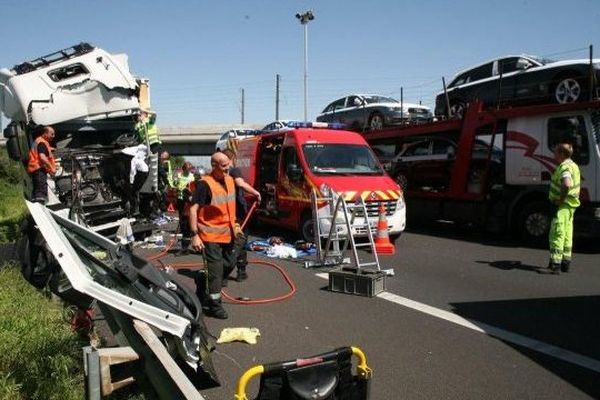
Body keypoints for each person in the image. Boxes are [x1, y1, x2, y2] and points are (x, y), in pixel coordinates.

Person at [189, 152, 237, 319]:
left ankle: (203, 279)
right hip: (209, 236)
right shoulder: (204, 185)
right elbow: (193, 210)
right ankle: (214, 305)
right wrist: (195, 234)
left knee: (230, 264)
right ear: (214, 166)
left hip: (228, 233)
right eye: (223, 165)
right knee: (216, 271)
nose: (228, 168)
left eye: (228, 164)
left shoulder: (230, 180)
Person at [222, 149, 261, 282]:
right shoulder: (234, 171)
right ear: (232, 159)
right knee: (241, 240)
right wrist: (256, 192)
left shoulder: (217, 174)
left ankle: (223, 275)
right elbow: (240, 183)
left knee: (226, 242)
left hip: (224, 212)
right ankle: (241, 271)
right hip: (238, 212)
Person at [548, 142, 580, 274]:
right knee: (567, 234)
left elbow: (566, 184)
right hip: (571, 206)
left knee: (557, 233)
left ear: (561, 154)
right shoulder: (574, 165)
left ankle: (556, 265)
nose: (554, 155)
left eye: (555, 152)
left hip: (562, 205)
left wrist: (560, 200)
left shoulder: (564, 167)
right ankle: (566, 263)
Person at [27, 126, 56, 204]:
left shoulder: (40, 141)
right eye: (52, 134)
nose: (53, 136)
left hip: (37, 169)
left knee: (38, 192)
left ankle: (38, 206)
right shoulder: (42, 143)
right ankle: (40, 208)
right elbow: (42, 157)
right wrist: (52, 168)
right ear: (45, 133)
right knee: (40, 194)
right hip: (38, 169)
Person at [175, 162, 195, 252]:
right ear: (183, 169)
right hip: (180, 199)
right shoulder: (179, 175)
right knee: (182, 220)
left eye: (189, 170)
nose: (188, 171)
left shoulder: (192, 176)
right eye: (186, 170)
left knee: (187, 221)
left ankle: (187, 243)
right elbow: (175, 184)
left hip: (189, 200)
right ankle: (185, 245)